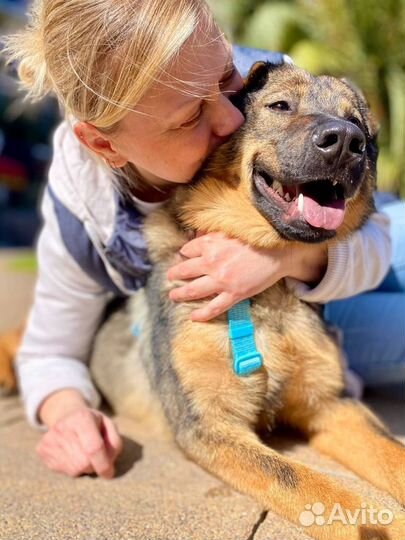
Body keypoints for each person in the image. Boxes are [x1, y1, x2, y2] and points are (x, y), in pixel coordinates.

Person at [1, 0, 397, 480]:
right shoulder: (81, 208)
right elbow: (52, 350)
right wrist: (66, 416)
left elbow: (374, 234)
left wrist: (281, 259)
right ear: (105, 145)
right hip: (310, 312)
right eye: (190, 117)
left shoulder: (269, 79)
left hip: (342, 246)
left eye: (226, 84)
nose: (232, 119)